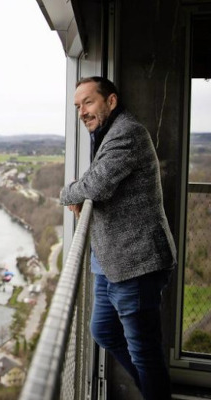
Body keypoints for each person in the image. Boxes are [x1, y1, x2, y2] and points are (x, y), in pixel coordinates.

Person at [60, 76, 177, 400]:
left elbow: (94, 186)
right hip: (111, 260)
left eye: (89, 102)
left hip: (136, 262)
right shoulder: (108, 134)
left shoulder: (126, 134)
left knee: (145, 354)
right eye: (78, 106)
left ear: (111, 101)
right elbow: (98, 183)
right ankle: (150, 389)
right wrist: (81, 191)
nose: (82, 111)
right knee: (104, 331)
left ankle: (154, 392)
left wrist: (66, 192)